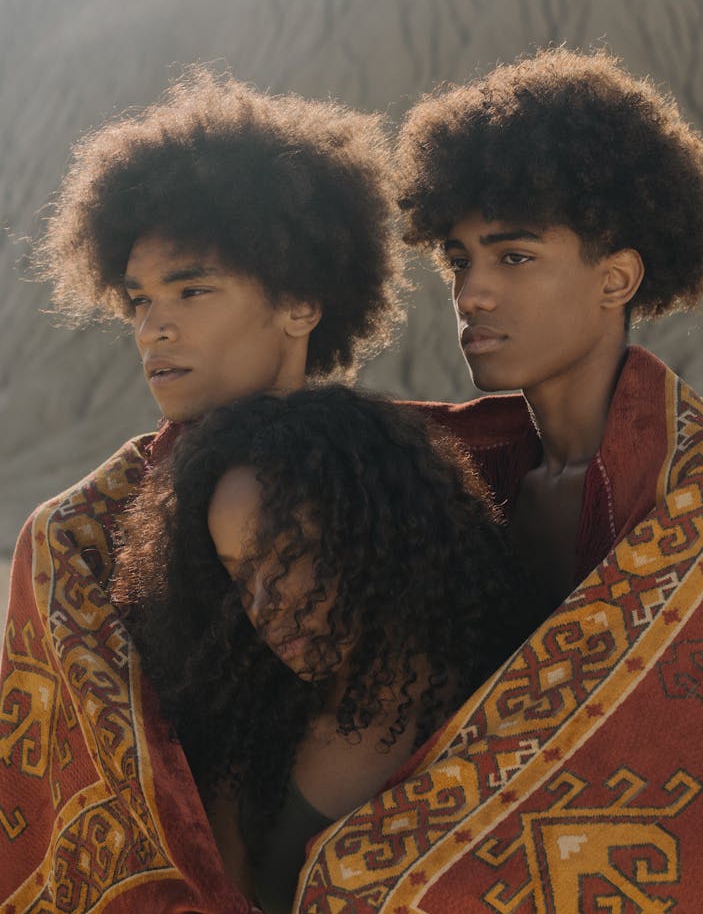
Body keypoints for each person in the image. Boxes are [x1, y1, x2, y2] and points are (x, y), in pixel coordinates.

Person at [296, 48, 703, 911]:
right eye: (460, 260)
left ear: (616, 277)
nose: (471, 293)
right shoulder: (467, 473)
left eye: (513, 258)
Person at [0, 69, 405, 913]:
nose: (155, 326)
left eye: (192, 290)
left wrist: (274, 881)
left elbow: (383, 710)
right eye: (140, 300)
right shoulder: (262, 463)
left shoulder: (262, 488)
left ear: (300, 303)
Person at [112, 385, 538, 913]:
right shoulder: (249, 727)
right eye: (238, 573)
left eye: (286, 554)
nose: (263, 602)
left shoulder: (502, 719)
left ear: (375, 530)